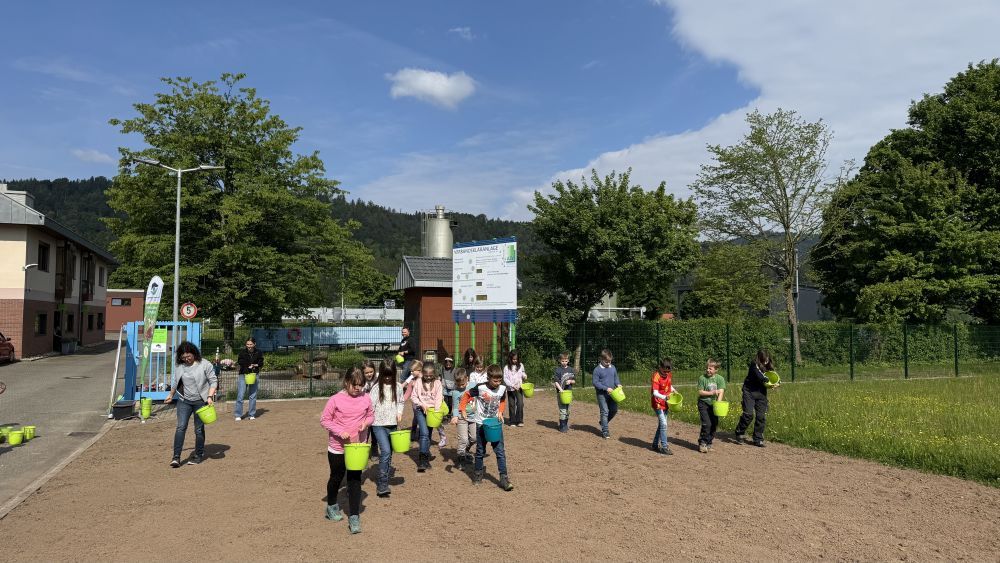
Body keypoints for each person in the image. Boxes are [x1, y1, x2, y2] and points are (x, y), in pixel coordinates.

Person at [320, 367, 374, 534]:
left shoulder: (366, 398)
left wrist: (366, 423)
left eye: (361, 385)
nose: (357, 388)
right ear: (346, 382)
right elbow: (325, 420)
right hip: (337, 447)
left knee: (355, 479)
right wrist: (339, 431)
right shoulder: (335, 399)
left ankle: (354, 516)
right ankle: (331, 506)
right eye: (354, 385)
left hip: (357, 447)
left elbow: (371, 415)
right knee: (336, 477)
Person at [458, 364, 514, 491]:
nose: (498, 383)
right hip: (481, 424)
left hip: (495, 425)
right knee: (480, 451)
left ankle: (504, 478)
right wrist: (462, 409)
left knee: (500, 452)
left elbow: (502, 400)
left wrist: (500, 412)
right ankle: (478, 474)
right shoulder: (480, 387)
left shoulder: (502, 388)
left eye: (499, 380)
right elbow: (466, 395)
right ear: (488, 378)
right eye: (495, 381)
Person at [164, 341, 217, 468]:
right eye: (183, 357)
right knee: (181, 427)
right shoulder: (180, 366)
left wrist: (210, 397)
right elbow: (175, 381)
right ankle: (176, 457)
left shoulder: (204, 364)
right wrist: (171, 394)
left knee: (198, 429)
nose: (186, 359)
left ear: (194, 353)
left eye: (188, 356)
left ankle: (198, 454)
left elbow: (213, 381)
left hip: (200, 401)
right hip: (184, 401)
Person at [369, 358, 405, 498]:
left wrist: (399, 413)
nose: (388, 378)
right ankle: (382, 484)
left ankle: (384, 475)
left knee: (390, 453)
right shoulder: (376, 389)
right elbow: (370, 406)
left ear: (394, 373)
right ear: (381, 373)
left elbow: (401, 402)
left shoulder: (398, 387)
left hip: (392, 424)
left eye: (390, 375)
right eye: (385, 375)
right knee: (385, 451)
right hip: (378, 425)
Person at [734, 349, 776, 447]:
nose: (765, 362)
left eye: (767, 360)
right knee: (748, 414)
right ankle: (740, 432)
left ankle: (758, 439)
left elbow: (772, 377)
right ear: (759, 359)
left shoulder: (768, 366)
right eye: (763, 360)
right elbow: (760, 376)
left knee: (761, 416)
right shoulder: (754, 365)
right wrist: (767, 380)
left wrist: (774, 384)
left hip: (761, 394)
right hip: (749, 392)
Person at [410, 362, 443, 472]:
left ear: (434, 374)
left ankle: (426, 452)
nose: (428, 378)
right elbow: (413, 397)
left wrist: (436, 412)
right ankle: (422, 460)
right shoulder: (418, 382)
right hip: (420, 410)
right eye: (426, 375)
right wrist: (421, 404)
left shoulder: (437, 383)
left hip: (432, 412)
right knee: (424, 433)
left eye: (430, 375)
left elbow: (438, 398)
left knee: (428, 434)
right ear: (423, 373)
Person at [697, 359, 726, 453]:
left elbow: (721, 391)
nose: (708, 370)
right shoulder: (702, 378)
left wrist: (718, 404)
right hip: (703, 403)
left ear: (716, 370)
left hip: (714, 405)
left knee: (714, 424)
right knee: (707, 424)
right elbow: (700, 392)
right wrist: (712, 392)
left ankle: (709, 443)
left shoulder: (720, 379)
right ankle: (702, 443)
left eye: (710, 369)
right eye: (707, 368)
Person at [449, 368, 475, 468]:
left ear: (467, 379)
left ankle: (465, 450)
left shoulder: (473, 386)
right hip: (461, 417)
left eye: (462, 384)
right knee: (463, 439)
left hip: (473, 417)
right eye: (458, 384)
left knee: (474, 438)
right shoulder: (455, 392)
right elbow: (455, 406)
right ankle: (461, 458)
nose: (460, 386)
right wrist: (455, 416)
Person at [592, 349, 621, 439]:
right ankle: (605, 431)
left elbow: (616, 378)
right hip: (602, 394)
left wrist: (618, 384)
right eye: (606, 362)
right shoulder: (597, 370)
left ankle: (603, 422)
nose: (608, 363)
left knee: (614, 410)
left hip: (612, 394)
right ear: (601, 359)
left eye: (610, 361)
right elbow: (595, 383)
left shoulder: (613, 367)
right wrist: (605, 388)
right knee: (604, 412)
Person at [650, 358, 677, 455]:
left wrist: (673, 390)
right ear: (660, 368)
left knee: (662, 424)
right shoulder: (656, 376)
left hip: (665, 402)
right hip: (657, 403)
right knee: (664, 424)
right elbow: (655, 392)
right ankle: (664, 446)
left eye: (668, 371)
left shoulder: (668, 374)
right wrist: (664, 397)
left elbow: (669, 385)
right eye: (664, 371)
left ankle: (654, 445)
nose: (666, 373)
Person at [234, 337, 264, 421]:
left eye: (251, 344)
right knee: (240, 395)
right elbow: (240, 362)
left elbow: (261, 363)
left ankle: (251, 414)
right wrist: (248, 366)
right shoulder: (242, 352)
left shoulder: (259, 352)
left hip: (254, 375)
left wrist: (255, 365)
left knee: (253, 395)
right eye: (247, 344)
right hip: (243, 374)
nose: (249, 346)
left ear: (254, 344)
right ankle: (238, 414)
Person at [503, 349, 527, 427]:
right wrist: (512, 385)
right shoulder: (506, 367)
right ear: (510, 358)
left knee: (520, 404)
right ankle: (512, 420)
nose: (515, 361)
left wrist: (524, 376)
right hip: (510, 389)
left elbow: (523, 372)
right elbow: (505, 378)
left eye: (516, 359)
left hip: (519, 388)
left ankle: (519, 420)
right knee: (511, 405)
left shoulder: (521, 365)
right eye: (513, 359)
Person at [552, 352, 576, 433]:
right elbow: (556, 382)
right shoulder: (558, 370)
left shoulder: (571, 369)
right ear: (559, 360)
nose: (564, 362)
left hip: (568, 393)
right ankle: (562, 426)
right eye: (562, 361)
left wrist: (570, 381)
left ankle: (565, 424)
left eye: (566, 361)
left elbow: (574, 380)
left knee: (568, 410)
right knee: (563, 410)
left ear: (568, 360)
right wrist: (561, 390)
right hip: (561, 393)